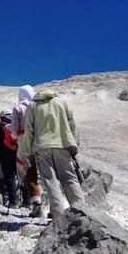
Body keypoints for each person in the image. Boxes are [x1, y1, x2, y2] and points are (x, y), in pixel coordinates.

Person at [19, 90, 86, 220]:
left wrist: (27, 152)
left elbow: (28, 130)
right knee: (69, 177)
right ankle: (82, 211)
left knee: (50, 181)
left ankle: (58, 215)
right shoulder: (62, 102)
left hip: (42, 147)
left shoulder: (32, 106)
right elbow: (72, 124)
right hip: (63, 144)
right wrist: (74, 145)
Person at [12, 85, 43, 217]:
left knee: (26, 170)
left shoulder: (18, 108)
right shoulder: (37, 107)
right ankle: (53, 205)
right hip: (39, 140)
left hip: (23, 141)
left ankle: (34, 203)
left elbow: (14, 130)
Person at [0, 111, 18, 208]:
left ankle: (13, 202)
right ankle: (27, 201)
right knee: (21, 177)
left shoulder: (0, 126)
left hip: (5, 156)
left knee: (9, 178)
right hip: (18, 154)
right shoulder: (15, 123)